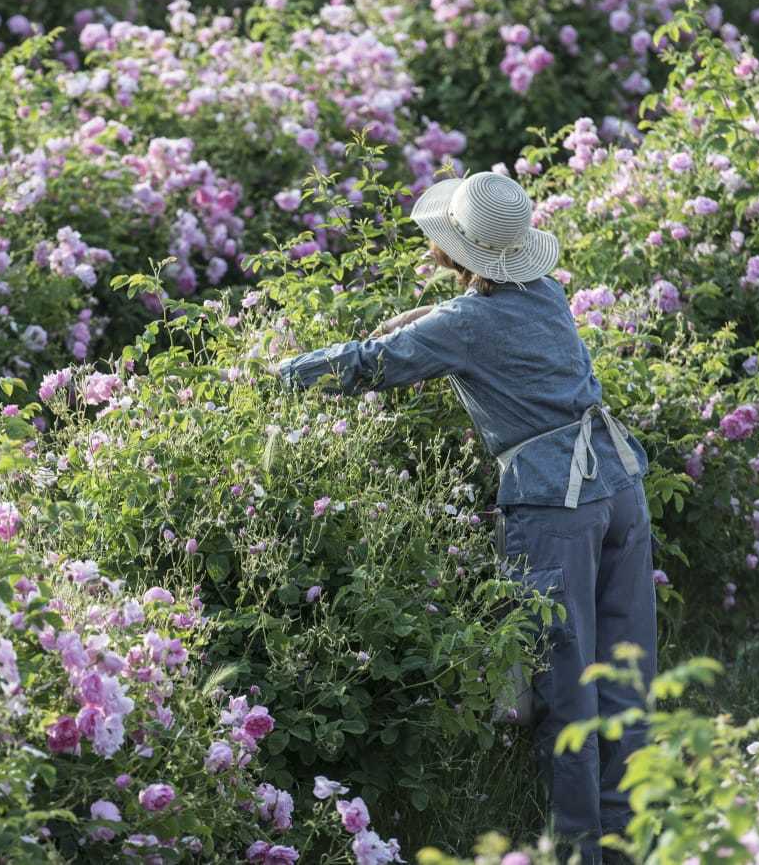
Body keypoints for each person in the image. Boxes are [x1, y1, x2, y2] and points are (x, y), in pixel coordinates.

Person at [274, 170, 656, 864]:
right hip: (620, 487)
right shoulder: (545, 290)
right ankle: (630, 847)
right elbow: (464, 321)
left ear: (461, 250)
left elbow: (367, 366)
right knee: (625, 681)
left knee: (567, 696)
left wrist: (275, 374)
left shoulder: (470, 325)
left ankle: (578, 855)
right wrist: (418, 318)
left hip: (556, 506)